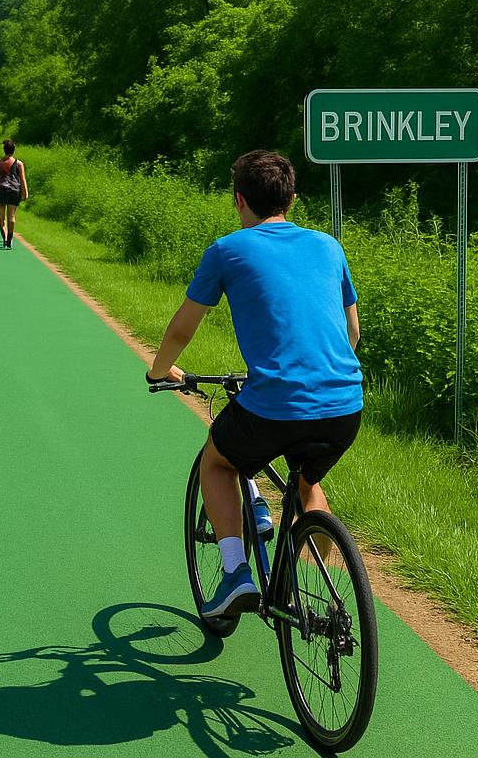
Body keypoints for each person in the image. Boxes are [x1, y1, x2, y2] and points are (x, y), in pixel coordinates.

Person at [146, 150, 361, 620]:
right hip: (345, 404)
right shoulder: (329, 246)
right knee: (307, 481)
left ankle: (235, 574)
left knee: (217, 461)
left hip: (276, 406)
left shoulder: (227, 250)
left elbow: (182, 329)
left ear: (239, 200)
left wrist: (159, 370)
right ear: (292, 198)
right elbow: (352, 333)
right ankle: (312, 584)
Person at [0, 139, 29, 249]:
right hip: (14, 191)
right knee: (11, 217)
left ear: (4, 150)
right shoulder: (19, 164)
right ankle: (9, 239)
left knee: (1, 219)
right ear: (14, 150)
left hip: (1, 191)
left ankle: (4, 238)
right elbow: (22, 180)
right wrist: (25, 193)